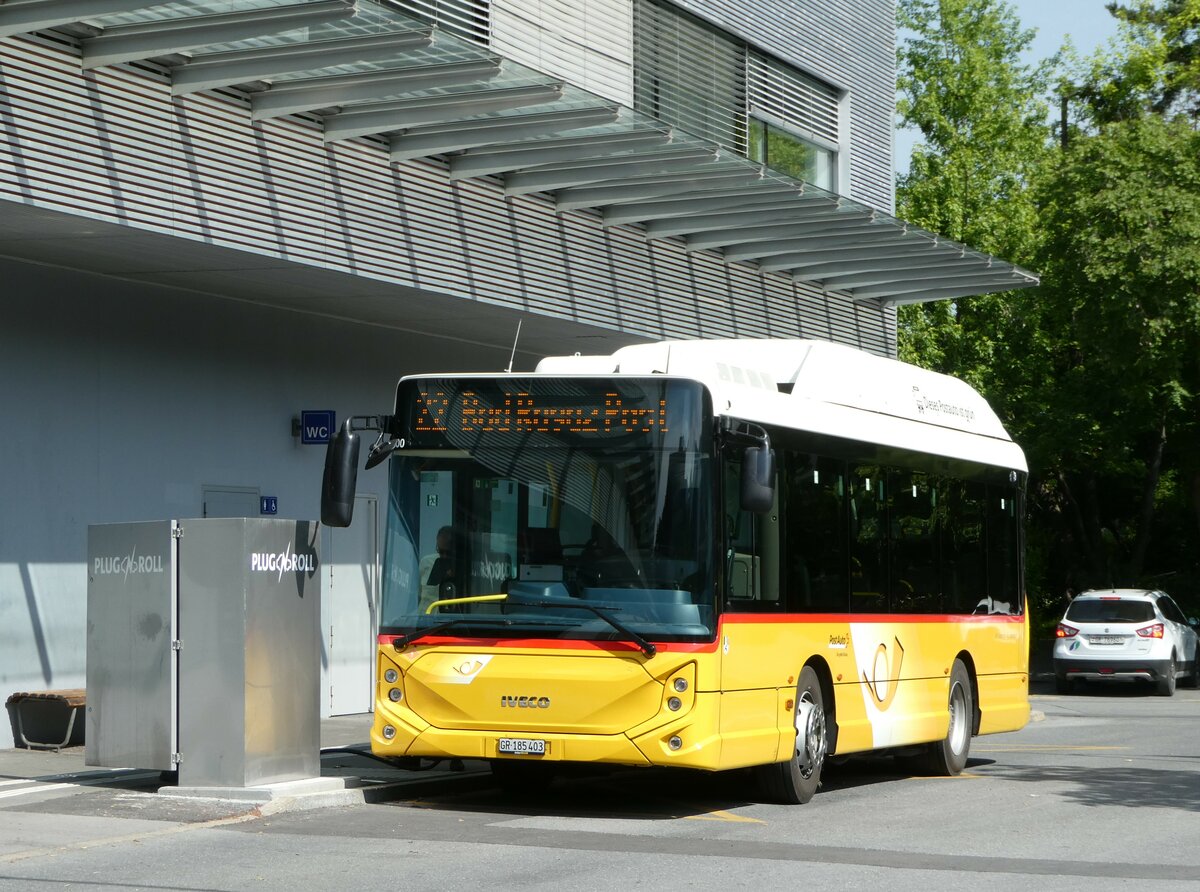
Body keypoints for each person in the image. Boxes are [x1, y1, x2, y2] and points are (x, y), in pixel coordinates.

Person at [418, 526, 456, 614]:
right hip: (424, 620)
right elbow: (418, 595)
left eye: (448, 552)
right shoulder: (426, 562)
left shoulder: (462, 569)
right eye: (441, 551)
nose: (444, 556)